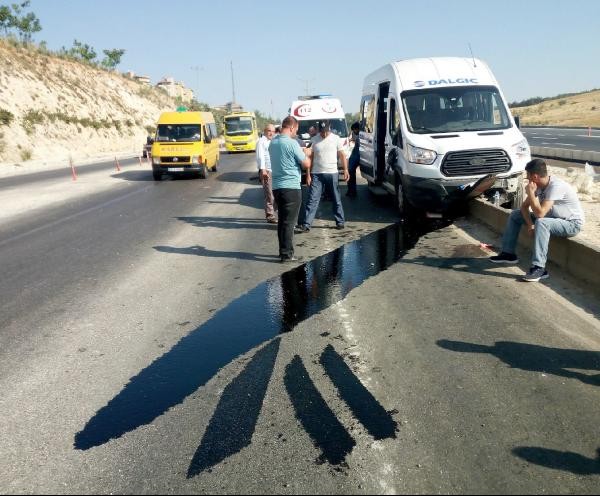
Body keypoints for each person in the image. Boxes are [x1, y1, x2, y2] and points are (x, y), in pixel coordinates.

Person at [490, 158, 584, 282]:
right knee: (515, 215)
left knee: (541, 222)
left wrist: (532, 194)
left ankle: (539, 268)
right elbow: (523, 207)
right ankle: (508, 254)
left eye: (528, 177)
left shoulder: (556, 186)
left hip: (571, 223)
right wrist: (530, 224)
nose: (527, 180)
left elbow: (540, 214)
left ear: (534, 176)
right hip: (551, 219)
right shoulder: (538, 186)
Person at [269, 116, 311, 262]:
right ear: (292, 127)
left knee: (282, 221)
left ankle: (283, 251)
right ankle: (287, 254)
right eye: (296, 130)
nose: (296, 133)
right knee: (289, 223)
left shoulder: (272, 142)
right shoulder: (292, 143)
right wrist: (307, 155)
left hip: (277, 187)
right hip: (291, 187)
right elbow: (305, 164)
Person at [296, 120, 349, 233]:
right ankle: (306, 224)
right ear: (319, 129)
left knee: (336, 198)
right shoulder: (314, 140)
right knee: (312, 199)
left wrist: (345, 169)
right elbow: (309, 157)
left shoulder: (336, 139)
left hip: (332, 173)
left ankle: (340, 221)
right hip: (317, 174)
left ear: (329, 128)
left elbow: (342, 155)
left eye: (325, 131)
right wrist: (308, 174)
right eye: (322, 131)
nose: (323, 134)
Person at [256, 124, 277, 223]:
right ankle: (270, 216)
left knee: (275, 193)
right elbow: (260, 157)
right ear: (264, 131)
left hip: (274, 170)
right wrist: (263, 170)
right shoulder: (261, 141)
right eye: (269, 130)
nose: (271, 133)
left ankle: (273, 213)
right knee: (269, 195)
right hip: (267, 171)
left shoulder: (272, 141)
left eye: (273, 131)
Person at [346, 121, 360, 197]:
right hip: (355, 156)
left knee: (351, 173)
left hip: (356, 157)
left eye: (354, 130)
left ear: (357, 129)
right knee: (350, 173)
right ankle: (351, 190)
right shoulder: (356, 136)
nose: (354, 132)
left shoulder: (360, 136)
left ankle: (352, 190)